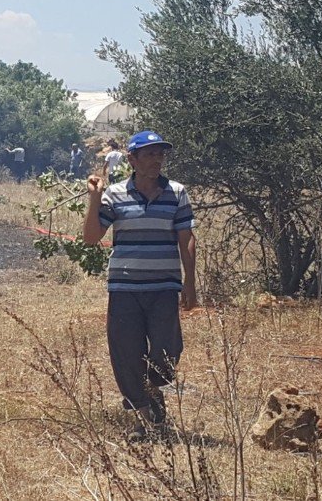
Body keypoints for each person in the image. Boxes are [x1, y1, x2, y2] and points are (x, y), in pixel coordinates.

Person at [82, 130, 197, 441]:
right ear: (132, 160)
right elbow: (91, 238)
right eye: (149, 154)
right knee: (126, 352)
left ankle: (154, 390)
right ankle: (144, 417)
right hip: (125, 288)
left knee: (167, 350)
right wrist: (94, 199)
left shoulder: (177, 192)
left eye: (160, 154)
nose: (156, 159)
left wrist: (191, 283)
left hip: (164, 287)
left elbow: (186, 239)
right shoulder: (114, 194)